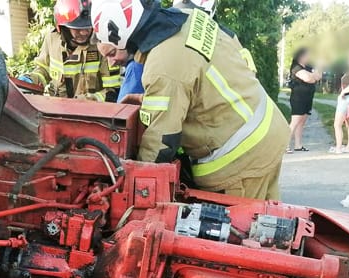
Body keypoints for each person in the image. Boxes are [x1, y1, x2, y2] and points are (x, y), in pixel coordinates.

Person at [93, 0, 289, 201]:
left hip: (242, 159)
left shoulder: (163, 65)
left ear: (126, 34)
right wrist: (149, 100)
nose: (111, 61)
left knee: (246, 229)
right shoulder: (186, 18)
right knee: (273, 221)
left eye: (112, 52)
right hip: (266, 130)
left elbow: (160, 144)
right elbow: (198, 82)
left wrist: (130, 186)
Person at [29, 0, 120, 101]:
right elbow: (43, 70)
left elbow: (113, 91)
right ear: (64, 27)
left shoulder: (101, 45)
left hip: (92, 113)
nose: (84, 32)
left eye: (88, 27)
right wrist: (29, 80)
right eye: (77, 28)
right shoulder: (51, 40)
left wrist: (88, 100)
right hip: (56, 109)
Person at [287, 48, 322, 153]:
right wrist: (313, 76)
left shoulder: (308, 67)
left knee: (302, 122)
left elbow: (318, 77)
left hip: (308, 97)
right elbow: (309, 79)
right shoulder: (296, 68)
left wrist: (317, 69)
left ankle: (298, 145)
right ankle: (285, 145)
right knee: (295, 121)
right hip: (298, 97)